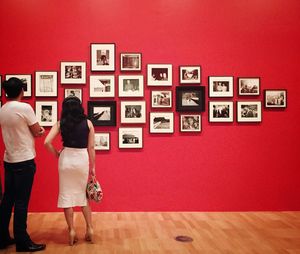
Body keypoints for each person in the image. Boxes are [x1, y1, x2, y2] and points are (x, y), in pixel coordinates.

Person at [0, 77, 46, 252]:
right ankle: (22, 241)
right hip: (24, 160)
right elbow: (37, 130)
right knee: (21, 202)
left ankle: (2, 237)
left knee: (7, 200)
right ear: (21, 91)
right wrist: (40, 131)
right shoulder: (25, 108)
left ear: (6, 92)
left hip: (9, 159)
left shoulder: (3, 109)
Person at [44, 97, 96, 246]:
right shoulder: (88, 123)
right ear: (80, 107)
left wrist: (57, 154)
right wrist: (93, 167)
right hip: (81, 160)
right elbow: (91, 148)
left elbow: (46, 142)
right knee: (83, 195)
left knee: (67, 195)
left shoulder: (60, 124)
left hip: (66, 159)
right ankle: (90, 228)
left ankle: (72, 230)